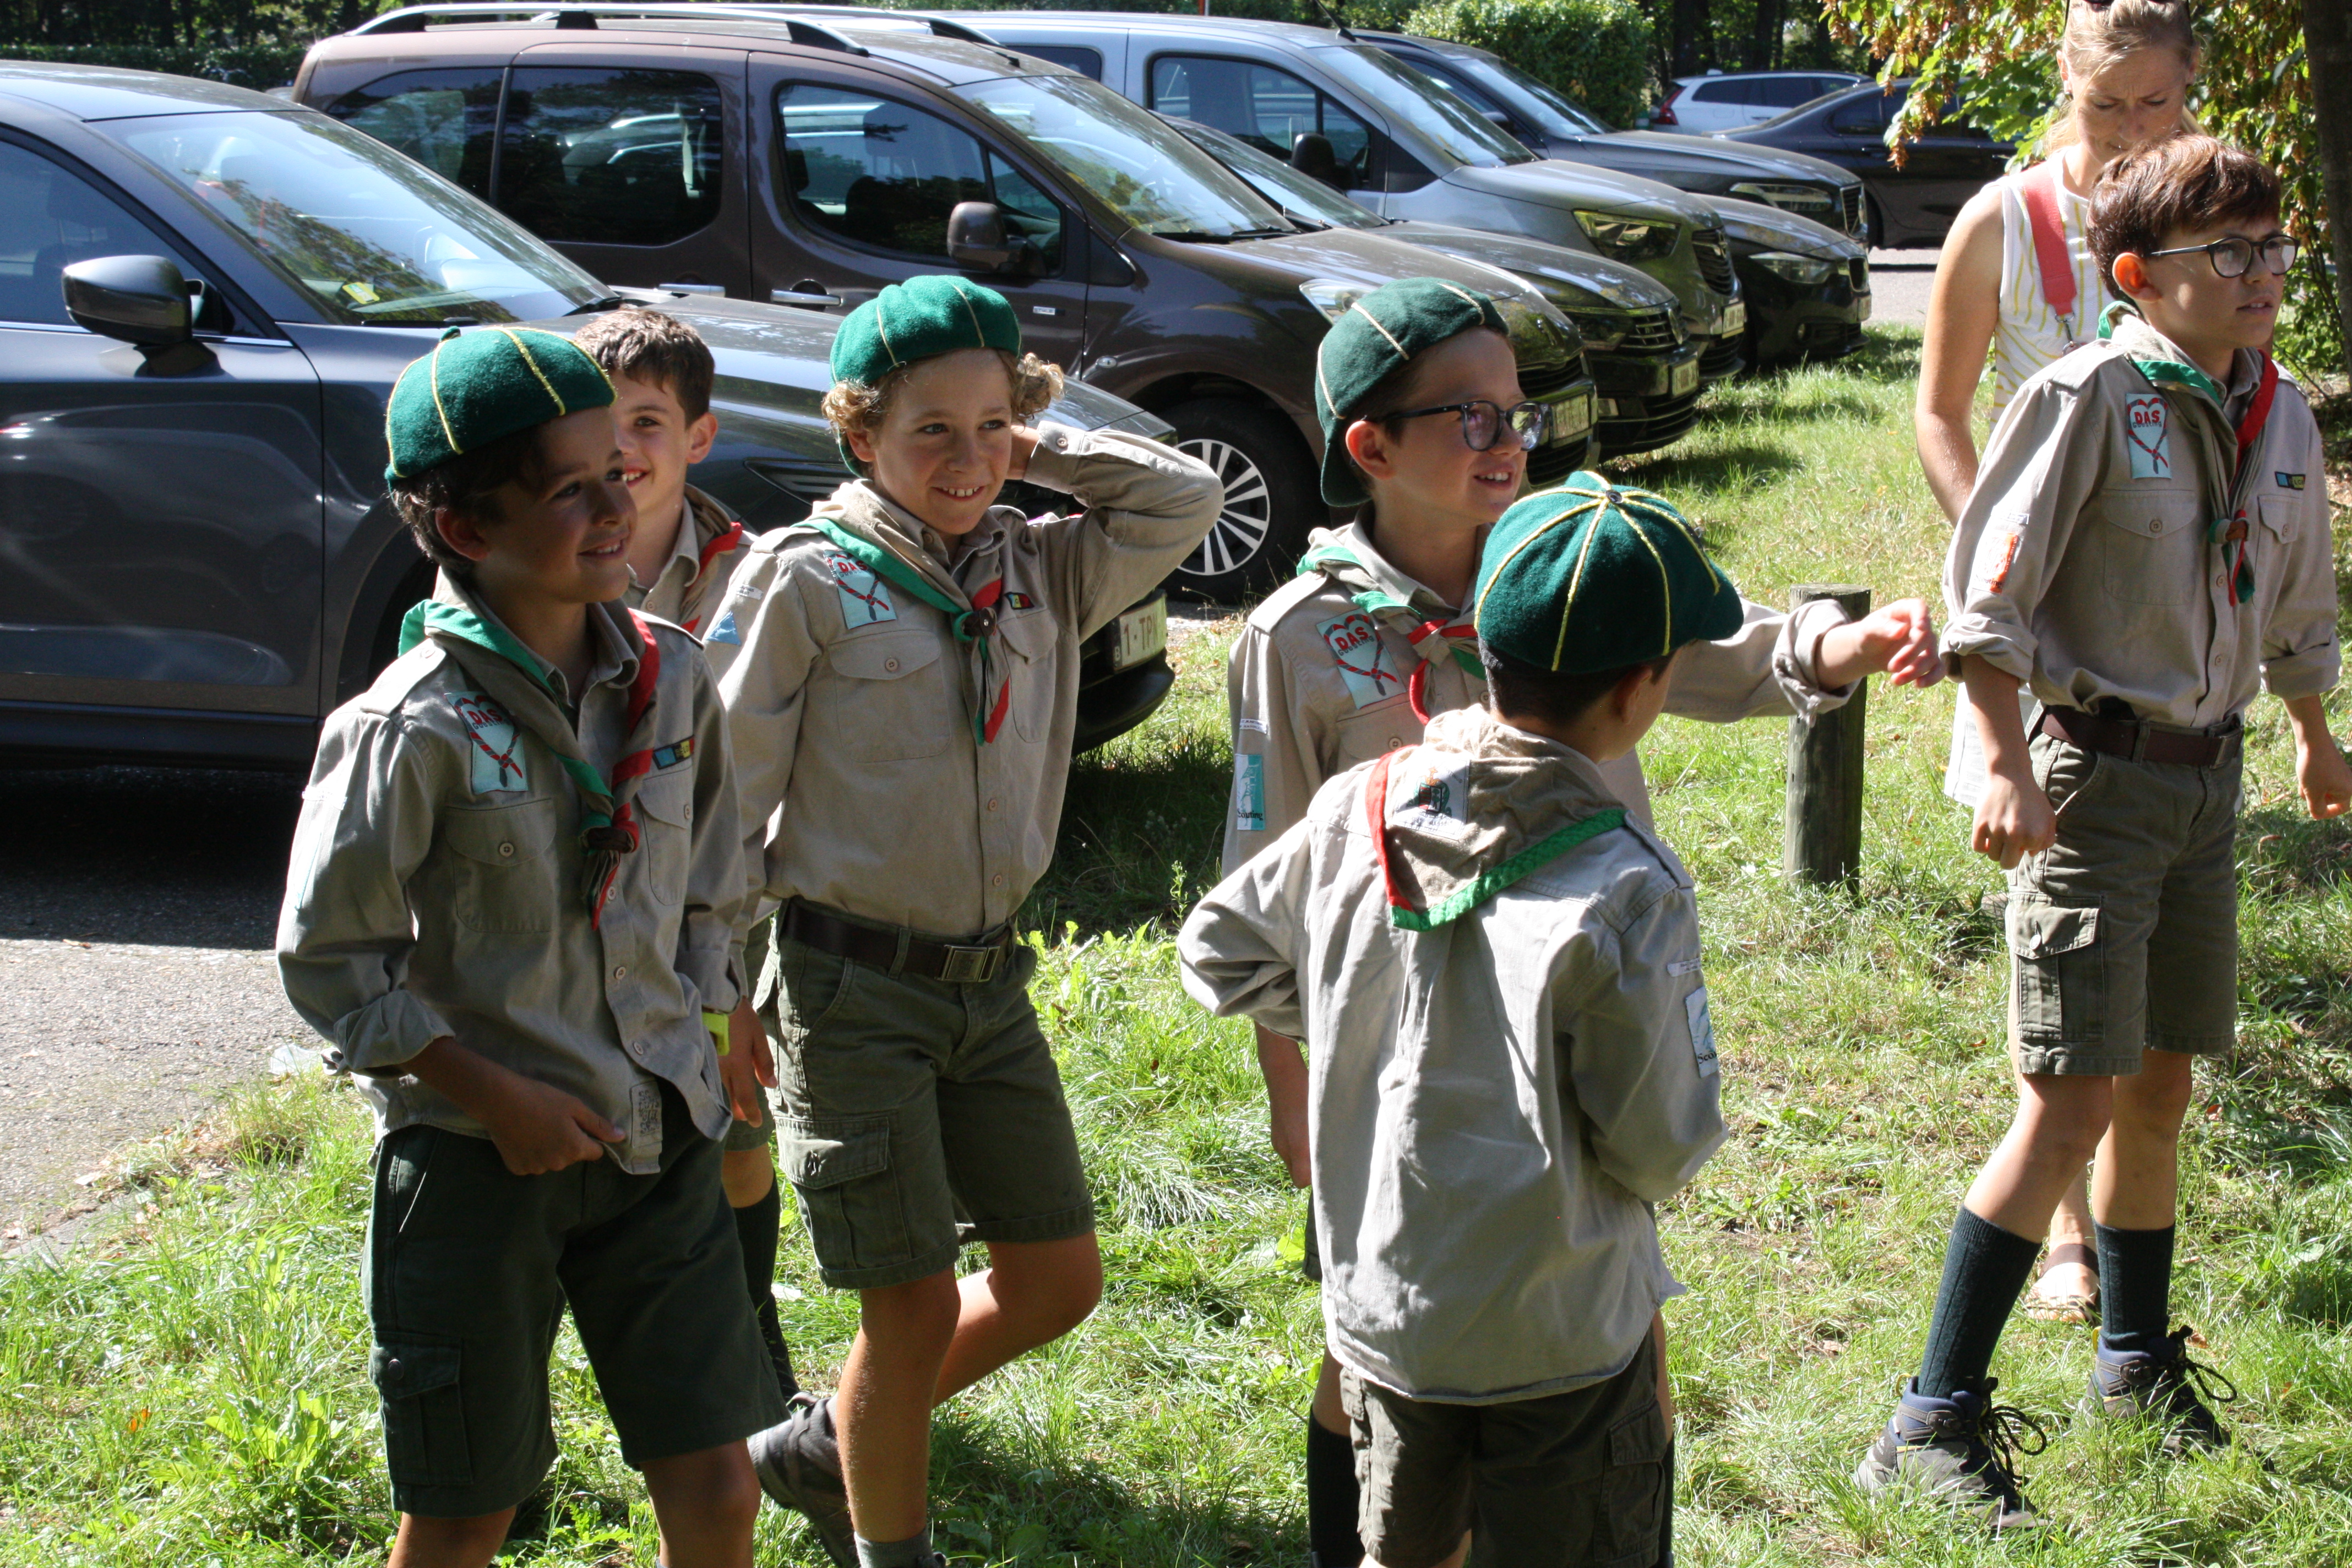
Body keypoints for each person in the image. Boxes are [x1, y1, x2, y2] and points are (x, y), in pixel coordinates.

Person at [1222, 276, 1942, 1567]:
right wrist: (1311, 1065)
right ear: (1371, 447)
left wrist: (1835, 651)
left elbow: (1697, 653)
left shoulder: (1557, 561)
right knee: (1371, 1343)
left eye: (1516, 412)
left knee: (1605, 1328)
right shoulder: (1301, 636)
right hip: (1391, 1072)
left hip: (1571, 1034)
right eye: (1470, 416)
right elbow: (1264, 874)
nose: (1509, 440)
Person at [1858, 135, 2349, 1531]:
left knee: (2162, 1082)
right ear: (2141, 279)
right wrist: (2008, 760)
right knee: (2067, 1095)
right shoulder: (2088, 397)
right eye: (2230, 255)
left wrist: (2314, 732)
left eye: (2272, 247)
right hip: (2091, 779)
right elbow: (1990, 592)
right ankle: (1931, 1415)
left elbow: (2298, 596)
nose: (2262, 277)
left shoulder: (2285, 414)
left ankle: (2136, 1359)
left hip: (2207, 780)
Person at [707, 275, 1222, 1568]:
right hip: (846, 981)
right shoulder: (806, 580)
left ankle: (832, 1442)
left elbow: (1187, 499)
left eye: (993, 425)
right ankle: (893, 1542)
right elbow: (718, 804)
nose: (968, 457)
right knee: (915, 1297)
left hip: (989, 984)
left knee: (1060, 1278)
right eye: (929, 429)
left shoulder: (1043, 563)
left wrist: (1036, 435)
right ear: (859, 432)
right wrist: (717, 997)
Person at [276, 326, 781, 1568]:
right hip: (477, 1172)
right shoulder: (408, 727)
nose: (620, 504)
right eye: (572, 489)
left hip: (658, 1137)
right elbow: (330, 957)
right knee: (465, 1514)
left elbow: (711, 883)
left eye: (621, 464)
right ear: (465, 529)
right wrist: (493, 1095)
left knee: (719, 1488)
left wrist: (721, 1020)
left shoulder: (671, 678)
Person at [1181, 478, 1745, 1568]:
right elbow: (1660, 1143)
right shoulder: (1627, 887)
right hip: (1563, 1336)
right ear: (1642, 689)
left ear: (1483, 640)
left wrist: (1360, 1017)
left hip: (1390, 1317)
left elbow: (1222, 944)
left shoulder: (1358, 801)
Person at [1917, 0, 2203, 1325]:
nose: (2142, 133)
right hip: (2039, 634)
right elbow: (1939, 408)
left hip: (2171, 640)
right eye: (2114, 108)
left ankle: (2124, 1177)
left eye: (2164, 105)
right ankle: (2071, 1234)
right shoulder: (2005, 224)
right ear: (2068, 89)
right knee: (2059, 919)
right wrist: (2000, 571)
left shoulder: (2206, 206)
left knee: (2144, 912)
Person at [571, 303, 794, 1401]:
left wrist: (741, 966)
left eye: (650, 421)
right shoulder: (552, 556)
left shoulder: (752, 575)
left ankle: (753, 1356)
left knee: (738, 1129)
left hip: (723, 907)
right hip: (586, 911)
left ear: (700, 437)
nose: (625, 448)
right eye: (604, 421)